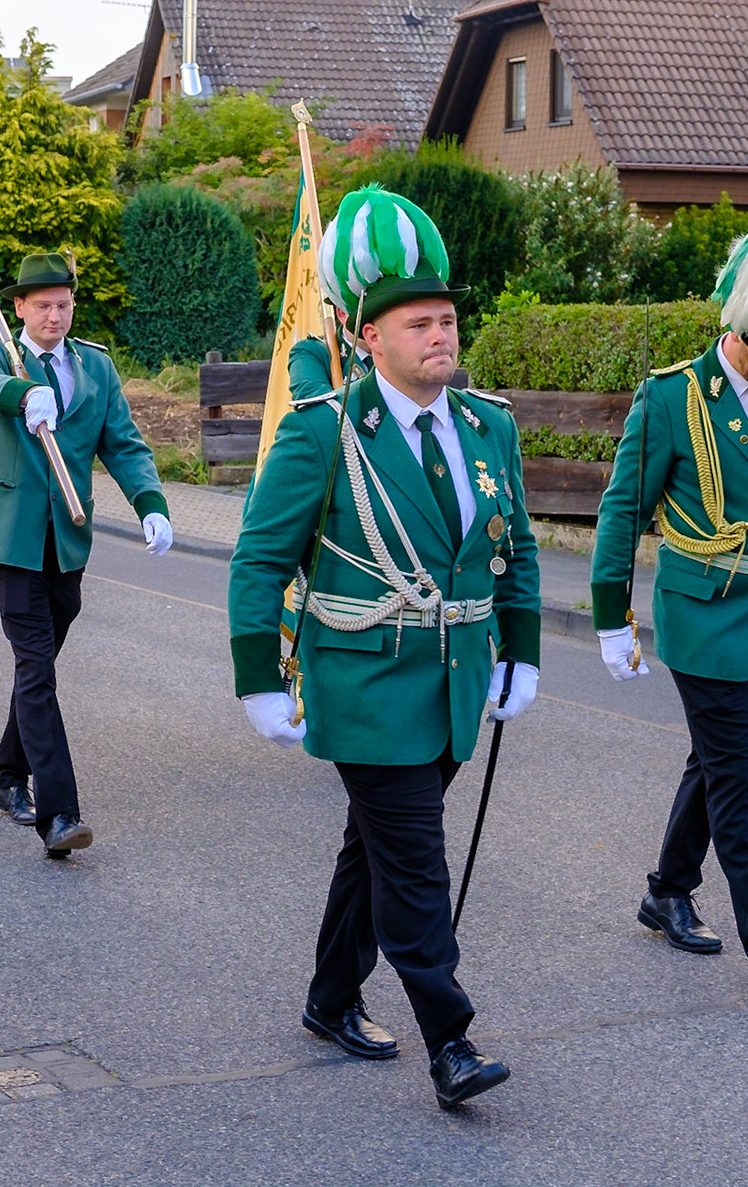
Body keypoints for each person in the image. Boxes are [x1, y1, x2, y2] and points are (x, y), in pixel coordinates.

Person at [229, 188, 540, 1110]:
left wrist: (521, 654)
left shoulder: (490, 426)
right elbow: (259, 559)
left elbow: (509, 551)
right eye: (419, 324)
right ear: (369, 337)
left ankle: (330, 998)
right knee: (413, 860)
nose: (442, 336)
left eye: (448, 321)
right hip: (362, 688)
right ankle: (452, 1037)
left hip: (451, 686)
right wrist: (257, 680)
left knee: (375, 850)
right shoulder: (325, 431)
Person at [591, 208, 748, 996]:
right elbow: (621, 511)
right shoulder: (672, 398)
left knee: (715, 762)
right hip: (702, 615)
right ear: (737, 328)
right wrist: (611, 616)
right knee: (741, 772)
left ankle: (667, 889)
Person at [0, 252, 175, 856]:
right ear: (20, 308)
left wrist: (151, 502)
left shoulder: (95, 367)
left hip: (68, 540)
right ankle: (59, 815)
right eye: (43, 306)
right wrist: (19, 393)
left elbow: (123, 443)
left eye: (64, 304)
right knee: (36, 666)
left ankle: (8, 775)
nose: (55, 315)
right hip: (10, 539)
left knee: (38, 668)